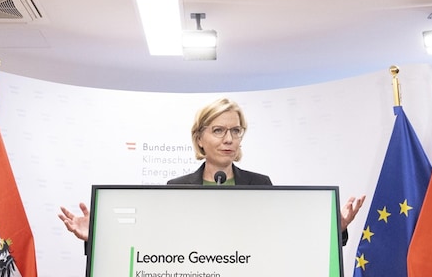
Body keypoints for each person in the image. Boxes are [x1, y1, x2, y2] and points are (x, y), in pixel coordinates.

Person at [59, 98, 365, 243]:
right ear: (199, 139)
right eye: (218, 130)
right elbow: (154, 242)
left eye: (236, 130)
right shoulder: (176, 187)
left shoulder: (261, 184)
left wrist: (334, 229)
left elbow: (283, 240)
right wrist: (96, 237)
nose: (229, 139)